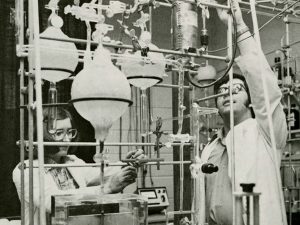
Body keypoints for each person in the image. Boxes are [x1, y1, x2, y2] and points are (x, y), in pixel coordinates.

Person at [200, 1, 287, 225]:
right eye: (221, 91)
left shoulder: (266, 134)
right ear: (216, 105)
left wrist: (238, 25)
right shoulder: (211, 147)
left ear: (251, 100)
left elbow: (264, 84)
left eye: (236, 89)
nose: (227, 93)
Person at [12, 107, 145, 225]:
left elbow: (99, 174)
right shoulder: (26, 169)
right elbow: (52, 201)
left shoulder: (72, 162)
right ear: (43, 135)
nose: (67, 139)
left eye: (70, 132)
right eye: (59, 133)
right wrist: (107, 188)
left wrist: (126, 163)